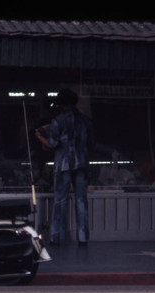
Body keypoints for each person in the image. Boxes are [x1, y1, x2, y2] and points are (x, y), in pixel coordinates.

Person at [35, 88, 95, 246]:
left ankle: (56, 236)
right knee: (81, 200)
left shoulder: (58, 120)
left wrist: (40, 136)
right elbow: (91, 143)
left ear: (61, 104)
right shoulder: (85, 120)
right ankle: (83, 237)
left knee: (60, 201)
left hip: (63, 164)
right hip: (82, 162)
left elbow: (53, 144)